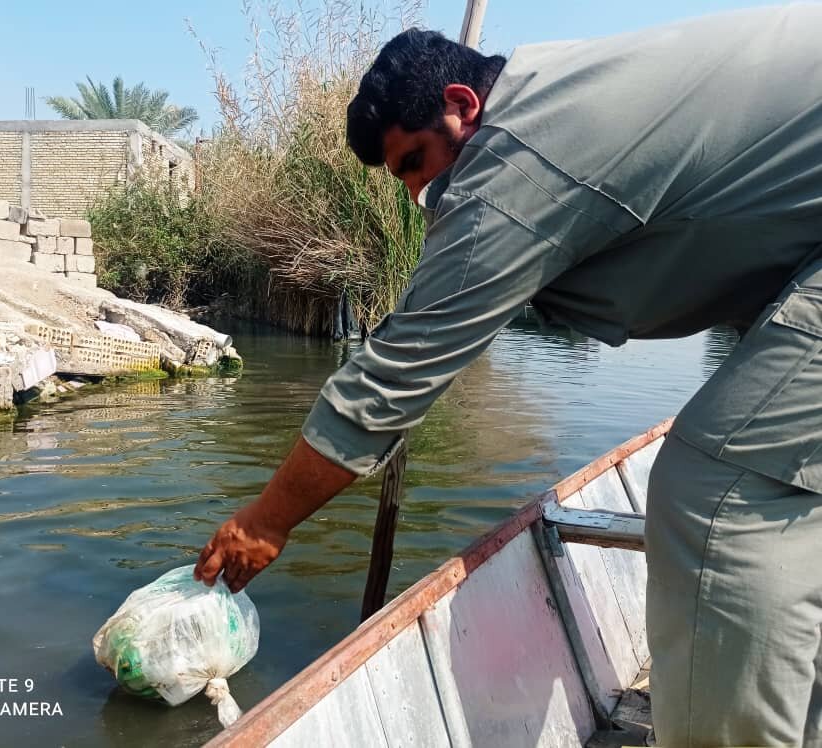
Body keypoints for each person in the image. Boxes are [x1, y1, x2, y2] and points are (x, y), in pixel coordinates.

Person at [194, 6, 822, 745]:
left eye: (415, 166)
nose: (416, 196)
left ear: (462, 107)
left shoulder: (520, 157)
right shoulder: (549, 88)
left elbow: (396, 374)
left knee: (719, 493)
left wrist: (264, 522)